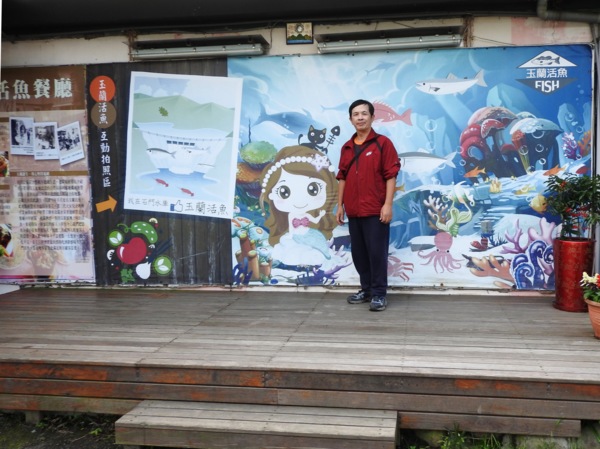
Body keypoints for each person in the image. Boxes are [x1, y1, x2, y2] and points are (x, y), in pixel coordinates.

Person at [335, 99, 400, 311]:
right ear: (350, 119)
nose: (360, 117)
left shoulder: (383, 144)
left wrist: (387, 205)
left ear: (372, 117)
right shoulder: (346, 147)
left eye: (364, 113)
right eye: (356, 114)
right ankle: (367, 290)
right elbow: (342, 178)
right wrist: (340, 206)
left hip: (375, 210)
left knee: (376, 253)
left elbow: (391, 176)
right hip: (353, 210)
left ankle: (379, 294)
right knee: (359, 254)